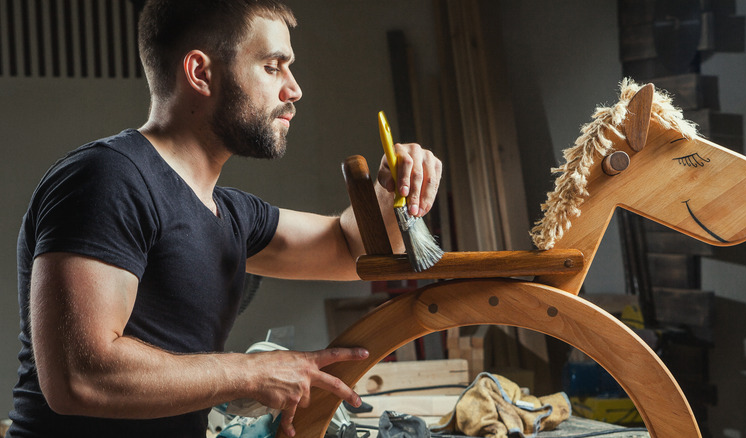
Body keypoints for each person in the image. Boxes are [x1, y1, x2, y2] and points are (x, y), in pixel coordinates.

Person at [7, 1, 442, 437]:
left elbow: (352, 251)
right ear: (201, 72)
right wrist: (252, 373)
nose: (294, 89)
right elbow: (80, 377)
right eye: (273, 67)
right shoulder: (109, 180)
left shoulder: (230, 214)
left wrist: (394, 188)